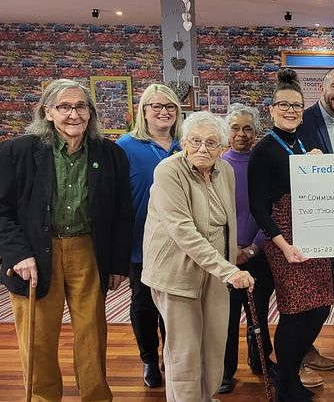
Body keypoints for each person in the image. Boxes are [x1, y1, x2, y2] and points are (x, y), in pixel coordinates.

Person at [0, 78, 132, 401]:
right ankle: (44, 398)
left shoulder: (110, 154)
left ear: (91, 113)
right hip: (34, 254)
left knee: (91, 333)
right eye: (64, 107)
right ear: (48, 112)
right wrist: (18, 254)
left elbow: (121, 213)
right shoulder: (18, 151)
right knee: (38, 336)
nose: (74, 114)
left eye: (81, 106)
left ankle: (96, 396)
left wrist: (116, 263)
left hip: (88, 249)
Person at [142, 111, 254, 402]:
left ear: (222, 147)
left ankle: (206, 396)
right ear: (183, 142)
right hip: (177, 272)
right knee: (185, 352)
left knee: (214, 344)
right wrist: (229, 270)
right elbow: (183, 230)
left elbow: (227, 221)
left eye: (211, 143)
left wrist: (228, 264)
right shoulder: (168, 172)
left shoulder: (225, 171)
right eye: (196, 141)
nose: (203, 148)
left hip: (216, 271)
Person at [248, 68, 334, 401]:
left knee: (321, 306)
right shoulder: (264, 150)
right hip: (285, 241)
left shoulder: (305, 142)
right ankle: (286, 383)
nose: (290, 111)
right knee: (295, 310)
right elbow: (259, 207)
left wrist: (319, 165)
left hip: (315, 235)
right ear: (271, 109)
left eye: (297, 106)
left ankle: (293, 369)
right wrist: (282, 246)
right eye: (283, 105)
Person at [116, 83, 182, 388]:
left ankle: (172, 358)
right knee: (144, 306)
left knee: (176, 305)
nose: (163, 112)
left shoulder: (185, 146)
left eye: (170, 107)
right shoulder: (126, 146)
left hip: (181, 245)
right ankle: (148, 359)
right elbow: (115, 199)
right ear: (143, 111)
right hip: (142, 244)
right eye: (156, 106)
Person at [294, 68, 334, 386]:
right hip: (305, 220)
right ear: (322, 88)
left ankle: (307, 347)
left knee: (322, 294)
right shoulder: (302, 120)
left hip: (332, 218)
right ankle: (298, 357)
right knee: (305, 295)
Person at [218, 103, 276, 394]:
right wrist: (232, 251)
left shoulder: (262, 161)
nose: (242, 134)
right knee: (226, 318)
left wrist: (253, 248)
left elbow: (270, 210)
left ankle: (260, 361)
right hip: (225, 257)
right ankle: (225, 371)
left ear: (256, 132)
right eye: (235, 128)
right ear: (227, 131)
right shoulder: (217, 164)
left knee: (259, 314)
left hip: (259, 252)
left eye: (248, 128)